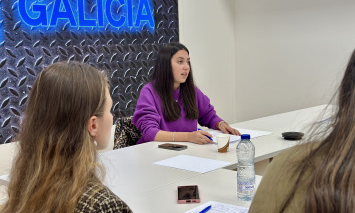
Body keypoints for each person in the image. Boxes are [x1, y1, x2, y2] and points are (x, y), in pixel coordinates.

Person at [2, 62, 132, 213]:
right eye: (109, 110)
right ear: (93, 125)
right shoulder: (105, 206)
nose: (111, 117)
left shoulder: (25, 187)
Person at [249, 44, 355, 213]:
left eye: (191, 62)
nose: (190, 67)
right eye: (190, 62)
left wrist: (220, 124)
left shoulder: (289, 167)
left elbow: (210, 114)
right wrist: (191, 136)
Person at [133, 42, 240, 144]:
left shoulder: (191, 90)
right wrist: (188, 137)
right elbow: (150, 133)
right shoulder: (149, 91)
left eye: (187, 61)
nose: (186, 67)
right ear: (165, 65)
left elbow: (208, 114)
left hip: (186, 152)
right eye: (180, 62)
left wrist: (221, 124)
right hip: (156, 154)